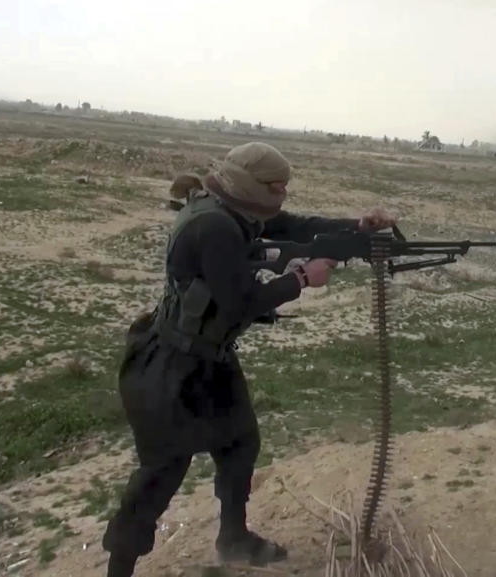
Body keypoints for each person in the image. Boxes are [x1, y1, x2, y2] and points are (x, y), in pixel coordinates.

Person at [101, 142, 396, 576]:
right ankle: (119, 568)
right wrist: (300, 279)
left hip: (208, 361)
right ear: (252, 185)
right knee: (161, 474)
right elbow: (240, 302)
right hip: (168, 371)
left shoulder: (231, 209)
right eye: (277, 187)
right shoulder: (215, 227)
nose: (282, 195)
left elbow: (297, 226)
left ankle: (233, 538)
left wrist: (357, 229)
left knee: (239, 443)